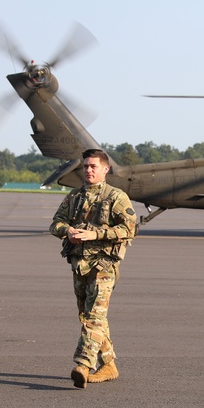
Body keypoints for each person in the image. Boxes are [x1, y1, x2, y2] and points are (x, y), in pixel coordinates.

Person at [49, 149, 137, 388]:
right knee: (89, 318)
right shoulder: (74, 197)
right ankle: (108, 365)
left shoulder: (116, 197)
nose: (88, 170)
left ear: (105, 169)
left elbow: (129, 229)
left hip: (104, 267)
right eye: (86, 166)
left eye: (93, 166)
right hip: (80, 266)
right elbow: (55, 223)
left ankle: (83, 364)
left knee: (94, 317)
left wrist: (95, 234)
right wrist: (67, 231)